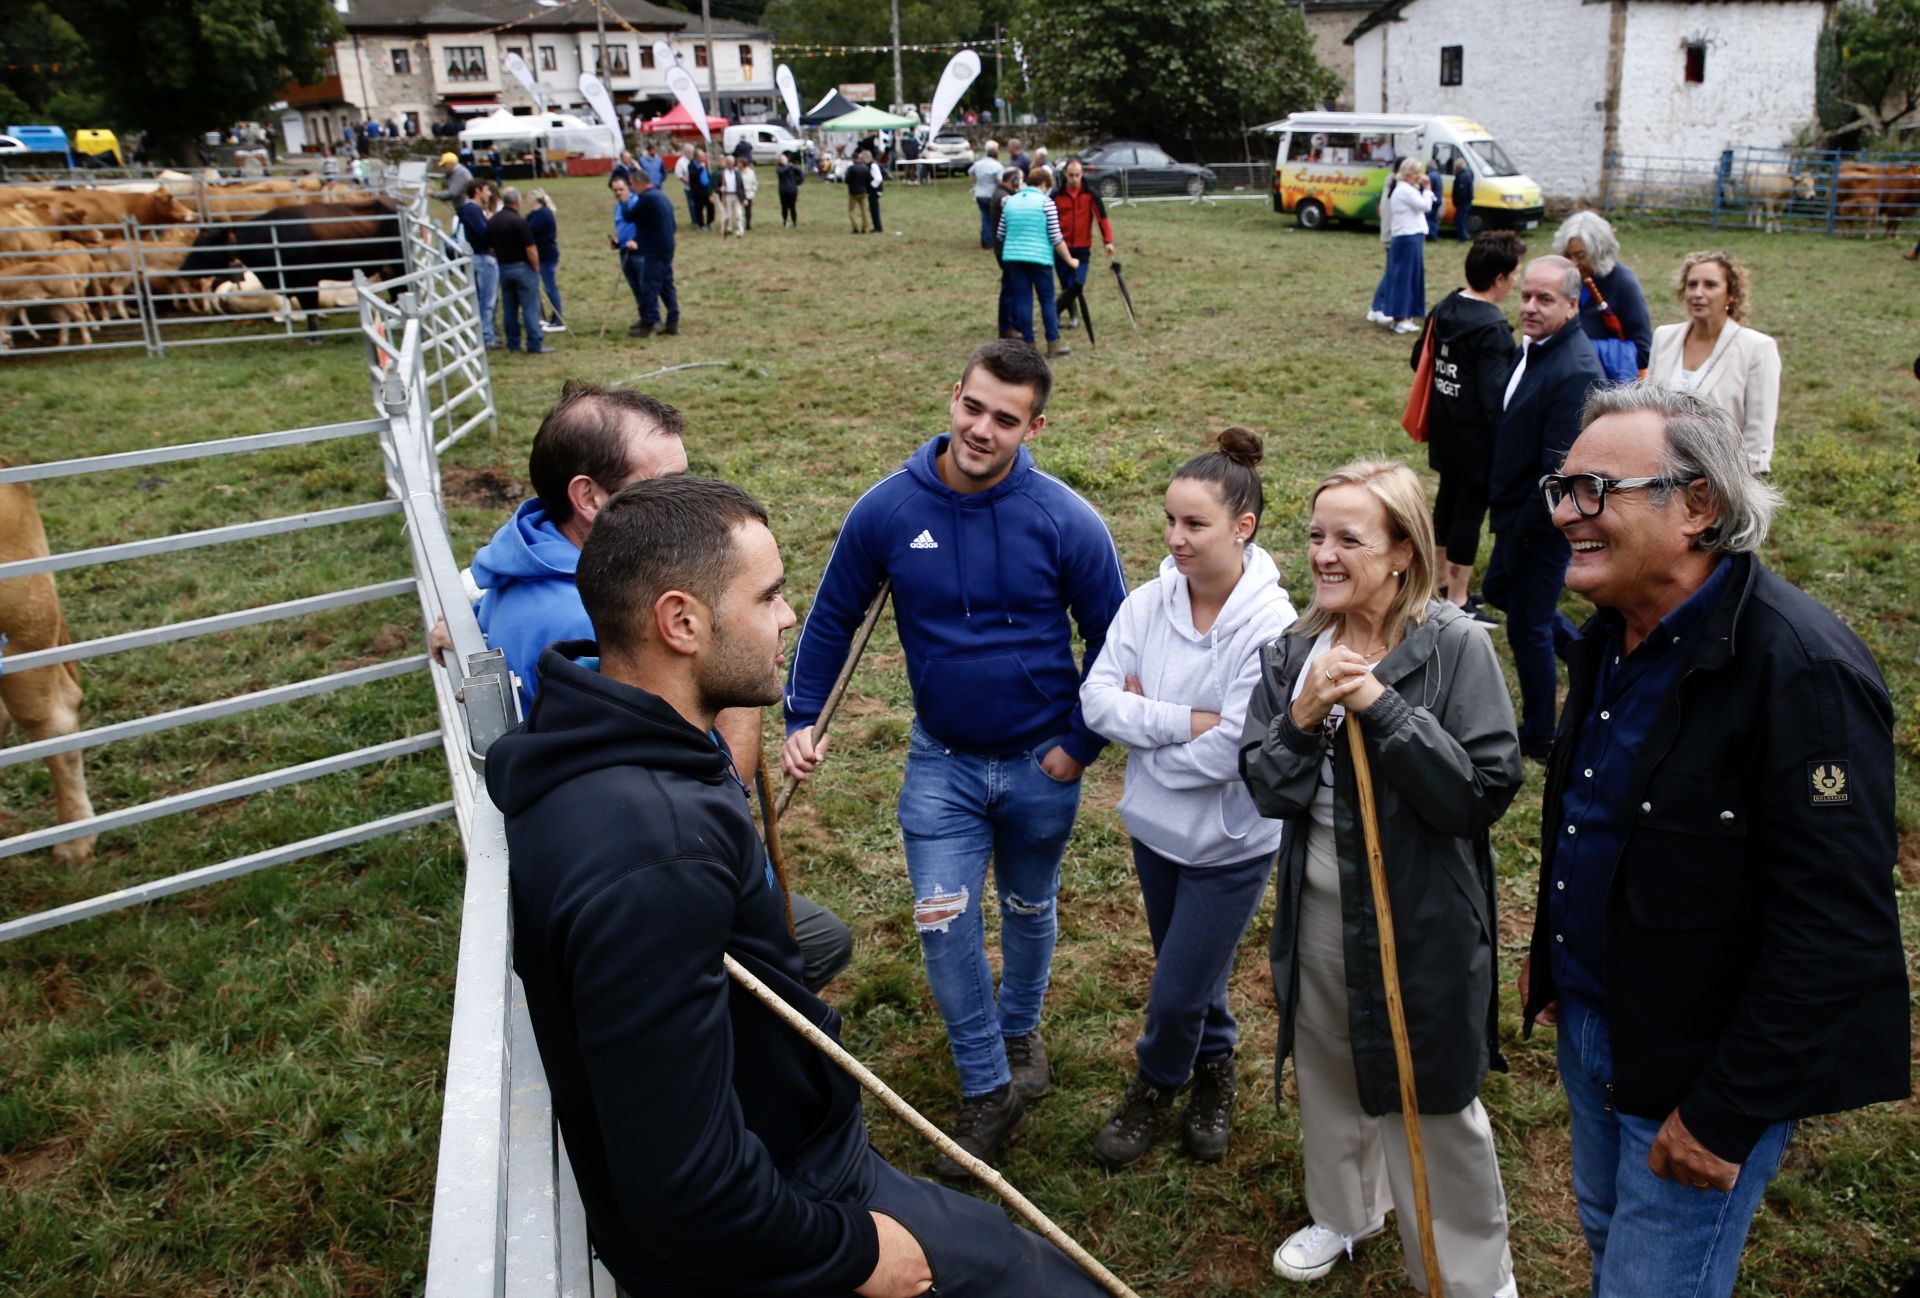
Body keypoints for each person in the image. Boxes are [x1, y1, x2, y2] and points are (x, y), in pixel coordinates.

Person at [487, 475, 1108, 1298]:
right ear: (681, 622)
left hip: (793, 1156)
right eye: (770, 596)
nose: (789, 617)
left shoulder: (600, 742)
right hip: (794, 1201)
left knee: (1008, 1248)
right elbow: (686, 1186)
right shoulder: (655, 861)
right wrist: (850, 1253)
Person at [1520, 383, 1908, 1298]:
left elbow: (1835, 930)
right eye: (1561, 489)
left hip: (1697, 1069)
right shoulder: (1612, 638)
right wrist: (1559, 972)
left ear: (1697, 505)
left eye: (1596, 491)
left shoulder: (1803, 673)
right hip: (1594, 1029)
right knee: (1612, 1245)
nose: (1568, 514)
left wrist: (1724, 1116)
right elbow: (1594, 819)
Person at [782, 342, 1128, 1174]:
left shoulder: (1065, 518)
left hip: (1042, 760)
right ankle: (987, 1087)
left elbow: (1117, 638)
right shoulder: (889, 509)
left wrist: (1078, 746)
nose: (983, 428)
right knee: (942, 921)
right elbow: (833, 614)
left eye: (1006, 418)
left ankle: (1020, 1031)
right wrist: (802, 714)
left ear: (1033, 425)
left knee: (1029, 907)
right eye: (973, 407)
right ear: (954, 397)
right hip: (942, 763)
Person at [459, 381, 851, 993]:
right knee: (804, 960)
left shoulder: (529, 557)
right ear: (587, 497)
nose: (685, 502)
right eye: (664, 485)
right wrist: (735, 690)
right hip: (671, 894)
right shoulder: (597, 621)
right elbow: (719, 782)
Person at [1240, 459, 1523, 1297]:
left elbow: (1476, 796)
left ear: (1403, 551)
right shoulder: (1294, 650)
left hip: (1423, 918)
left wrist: (1381, 709)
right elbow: (1264, 787)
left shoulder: (1455, 649)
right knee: (1328, 1066)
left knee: (1431, 1096)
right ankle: (1347, 1209)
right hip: (1319, 908)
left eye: (1349, 539)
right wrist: (1301, 714)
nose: (1325, 555)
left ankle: (1475, 1276)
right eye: (1317, 535)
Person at [1080, 429, 1297, 1170]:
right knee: (1194, 974)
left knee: (1174, 992)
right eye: (1170, 520)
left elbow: (1240, 747)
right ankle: (1216, 1066)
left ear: (1244, 527)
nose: (1175, 538)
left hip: (1231, 844)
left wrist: (1149, 741)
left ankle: (1155, 1083)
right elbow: (1097, 701)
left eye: (1194, 524)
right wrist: (1180, 726)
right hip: (1155, 830)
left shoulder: (1272, 626)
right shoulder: (1147, 603)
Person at [1481, 255, 1607, 760]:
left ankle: (1540, 736)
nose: (1530, 308)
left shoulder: (1574, 371)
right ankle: (1587, 655)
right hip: (1512, 510)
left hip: (1539, 522)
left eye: (1545, 300)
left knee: (1527, 626)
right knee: (1502, 593)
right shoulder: (1534, 346)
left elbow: (1557, 471)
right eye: (1527, 296)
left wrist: (1522, 527)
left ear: (1573, 305)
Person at [1412, 230, 1525, 621]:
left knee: (1446, 502)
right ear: (1499, 278)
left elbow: (1418, 360)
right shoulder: (1492, 328)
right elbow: (1496, 395)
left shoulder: (1446, 306)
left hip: (1444, 430)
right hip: (1478, 442)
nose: (1516, 283)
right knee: (1468, 515)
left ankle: (1439, 581)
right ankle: (1459, 599)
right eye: (1515, 276)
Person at [1646, 250, 1780, 475]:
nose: (1698, 293)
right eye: (1692, 285)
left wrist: (1739, 491)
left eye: (1710, 285)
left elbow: (1758, 436)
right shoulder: (1664, 337)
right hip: (1662, 475)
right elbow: (1649, 409)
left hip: (1720, 480)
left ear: (1731, 295)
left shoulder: (1756, 348)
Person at [1554, 210, 1651, 383]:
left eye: (1581, 256)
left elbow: (1644, 351)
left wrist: (1585, 349)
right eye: (1568, 255)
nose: (1573, 263)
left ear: (1600, 253)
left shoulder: (1623, 282)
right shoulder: (1565, 278)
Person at [998, 169, 1078, 357]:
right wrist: (1070, 260)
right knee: (1046, 300)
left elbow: (1001, 233)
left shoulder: (1009, 202)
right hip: (1040, 259)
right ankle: (1053, 343)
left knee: (1023, 300)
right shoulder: (1046, 203)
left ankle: (1029, 345)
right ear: (1043, 185)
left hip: (1014, 258)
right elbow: (1056, 237)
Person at [1369, 158, 1435, 334]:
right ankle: (1401, 318)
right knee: (1404, 279)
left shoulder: (1405, 189)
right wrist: (1428, 189)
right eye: (1415, 173)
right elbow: (1425, 206)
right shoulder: (1404, 190)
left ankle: (1406, 315)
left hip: (1410, 236)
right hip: (1407, 237)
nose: (1418, 176)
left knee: (1409, 277)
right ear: (1407, 174)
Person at [1051, 158, 1114, 331]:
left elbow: (1102, 219)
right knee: (1066, 285)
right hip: (1060, 248)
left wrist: (1108, 241)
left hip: (1082, 248)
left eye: (1077, 175)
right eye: (1071, 175)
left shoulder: (1090, 195)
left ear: (1082, 174)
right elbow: (1047, 220)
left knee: (1077, 283)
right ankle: (1072, 317)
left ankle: (1052, 312)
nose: (1074, 178)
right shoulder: (1056, 196)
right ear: (1065, 174)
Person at [488, 186, 546, 355]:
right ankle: (534, 344)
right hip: (522, 268)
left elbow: (490, 246)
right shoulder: (519, 221)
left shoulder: (494, 221)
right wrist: (535, 267)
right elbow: (530, 248)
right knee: (530, 307)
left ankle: (513, 344)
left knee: (509, 308)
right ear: (517, 202)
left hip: (503, 268)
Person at [630, 168, 680, 337]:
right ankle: (673, 321)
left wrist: (623, 202)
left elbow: (631, 216)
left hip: (654, 249)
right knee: (667, 285)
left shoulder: (646, 198)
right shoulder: (661, 195)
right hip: (667, 246)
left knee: (650, 285)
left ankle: (649, 324)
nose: (631, 189)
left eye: (632, 185)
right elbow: (672, 223)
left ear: (639, 183)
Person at [454, 178, 498, 349]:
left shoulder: (470, 209)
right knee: (487, 300)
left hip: (479, 257)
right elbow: (483, 235)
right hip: (483, 257)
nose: (489, 194)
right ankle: (486, 337)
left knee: (484, 298)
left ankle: (485, 333)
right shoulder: (472, 210)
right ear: (478, 191)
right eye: (487, 190)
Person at [609, 175, 649, 336]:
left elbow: (644, 226)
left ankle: (653, 318)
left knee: (645, 287)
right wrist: (618, 241)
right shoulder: (618, 206)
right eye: (615, 190)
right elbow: (622, 226)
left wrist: (636, 240)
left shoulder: (637, 203)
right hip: (624, 252)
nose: (618, 193)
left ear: (629, 187)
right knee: (636, 289)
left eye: (621, 189)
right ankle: (644, 317)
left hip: (638, 252)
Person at [526, 187, 565, 333]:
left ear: (535, 199)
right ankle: (550, 317)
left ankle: (558, 318)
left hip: (546, 255)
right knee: (544, 286)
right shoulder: (535, 214)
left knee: (550, 286)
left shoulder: (543, 214)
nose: (527, 200)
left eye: (529, 197)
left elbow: (529, 229)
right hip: (540, 254)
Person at [970, 141, 1004, 248]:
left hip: (979, 193)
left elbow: (970, 171)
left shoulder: (978, 163)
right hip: (991, 194)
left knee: (985, 216)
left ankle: (985, 238)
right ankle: (989, 240)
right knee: (992, 218)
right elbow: (1000, 180)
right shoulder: (998, 166)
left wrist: (977, 181)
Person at [715, 155, 745, 238]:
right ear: (726, 164)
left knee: (738, 214)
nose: (730, 165)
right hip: (727, 196)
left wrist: (744, 198)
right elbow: (716, 187)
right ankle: (728, 228)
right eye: (729, 163)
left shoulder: (737, 173)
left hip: (736, 195)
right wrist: (720, 189)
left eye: (732, 163)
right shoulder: (721, 174)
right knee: (728, 214)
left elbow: (741, 186)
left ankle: (740, 230)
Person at [845, 148, 872, 233]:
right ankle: (864, 227)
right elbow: (869, 179)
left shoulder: (851, 168)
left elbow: (847, 180)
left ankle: (855, 227)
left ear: (853, 159)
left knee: (851, 210)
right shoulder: (865, 168)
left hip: (853, 192)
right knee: (864, 210)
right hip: (863, 192)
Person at [776, 151, 804, 228]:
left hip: (792, 190)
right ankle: (785, 222)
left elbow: (800, 172)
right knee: (784, 207)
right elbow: (781, 172)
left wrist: (799, 181)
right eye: (781, 159)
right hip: (783, 190)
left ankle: (794, 222)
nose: (783, 160)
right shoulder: (779, 168)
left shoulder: (792, 167)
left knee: (792, 207)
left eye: (784, 158)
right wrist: (788, 166)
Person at [1451, 158, 1475, 242]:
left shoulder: (1463, 176)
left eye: (1456, 167)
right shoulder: (1467, 173)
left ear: (1458, 167)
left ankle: (1462, 237)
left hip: (1463, 203)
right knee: (1461, 219)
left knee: (1461, 220)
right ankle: (1463, 235)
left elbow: (1462, 192)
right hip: (1465, 202)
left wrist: (1458, 201)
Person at [867, 150, 886, 234]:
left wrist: (872, 186)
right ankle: (876, 226)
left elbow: (878, 178)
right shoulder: (871, 165)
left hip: (875, 190)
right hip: (874, 190)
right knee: (872, 209)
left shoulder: (873, 165)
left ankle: (878, 227)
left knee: (874, 209)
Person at [1426, 159, 1444, 240]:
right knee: (1434, 219)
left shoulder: (1430, 176)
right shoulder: (1437, 175)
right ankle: (1434, 235)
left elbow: (1428, 189)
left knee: (1428, 218)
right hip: (1438, 199)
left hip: (1432, 200)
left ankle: (1429, 234)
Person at [739, 157, 758, 232]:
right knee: (739, 210)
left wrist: (753, 191)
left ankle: (748, 224)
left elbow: (755, 183)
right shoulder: (737, 172)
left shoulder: (751, 172)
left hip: (748, 193)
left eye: (739, 163)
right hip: (740, 193)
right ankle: (741, 223)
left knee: (748, 210)